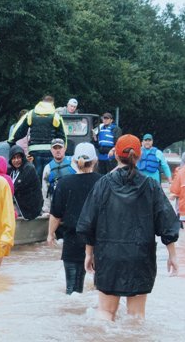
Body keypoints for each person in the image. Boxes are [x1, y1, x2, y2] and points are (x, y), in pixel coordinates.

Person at [77, 134, 179, 321]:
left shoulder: (103, 184)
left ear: (115, 155)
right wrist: (172, 255)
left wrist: (89, 254)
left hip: (108, 256)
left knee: (105, 314)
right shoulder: (151, 186)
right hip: (140, 257)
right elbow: (167, 222)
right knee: (136, 317)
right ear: (139, 156)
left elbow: (87, 224)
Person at [48, 142, 101, 295]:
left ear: (74, 161)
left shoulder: (64, 183)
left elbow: (56, 214)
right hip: (100, 240)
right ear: (95, 160)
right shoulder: (104, 182)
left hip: (72, 240)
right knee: (102, 291)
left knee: (72, 291)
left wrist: (50, 234)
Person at [8, 95, 67, 179]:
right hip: (50, 151)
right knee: (49, 176)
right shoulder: (55, 116)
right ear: (52, 104)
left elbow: (18, 130)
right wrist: (63, 150)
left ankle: (38, 190)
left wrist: (11, 142)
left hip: (34, 152)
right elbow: (63, 135)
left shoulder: (31, 114)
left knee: (36, 177)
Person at [8, 145, 43, 220]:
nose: (16, 160)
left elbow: (17, 187)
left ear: (22, 158)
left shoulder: (29, 168)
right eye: (13, 158)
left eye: (18, 157)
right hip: (19, 205)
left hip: (29, 208)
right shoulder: (12, 171)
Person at [41, 138, 75, 214]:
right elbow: (45, 190)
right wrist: (47, 209)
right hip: (57, 205)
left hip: (73, 203)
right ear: (51, 150)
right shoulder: (48, 168)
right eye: (55, 148)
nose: (58, 150)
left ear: (65, 149)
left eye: (60, 147)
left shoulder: (73, 162)